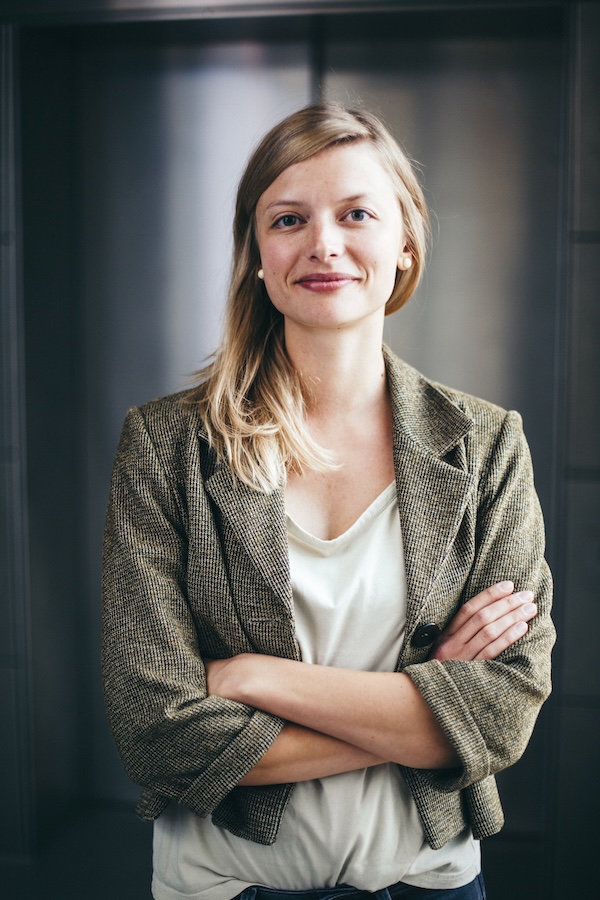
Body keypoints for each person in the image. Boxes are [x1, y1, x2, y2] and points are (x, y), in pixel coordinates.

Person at [102, 103, 554, 900]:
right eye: (288, 219)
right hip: (226, 886)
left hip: (430, 885)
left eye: (357, 214)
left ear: (405, 242)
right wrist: (427, 705)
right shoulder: (164, 447)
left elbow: (503, 712)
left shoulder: (486, 446)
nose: (324, 244)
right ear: (255, 254)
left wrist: (249, 677)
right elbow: (157, 734)